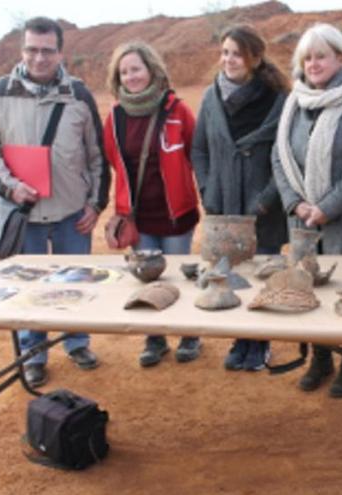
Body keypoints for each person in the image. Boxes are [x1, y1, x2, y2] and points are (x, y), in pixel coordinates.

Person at [0, 17, 109, 388]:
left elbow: (98, 156)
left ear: (61, 52)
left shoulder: (79, 95)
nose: (40, 58)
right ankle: (33, 353)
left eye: (48, 50)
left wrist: (95, 204)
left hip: (71, 213)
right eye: (32, 49)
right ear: (22, 50)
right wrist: (11, 187)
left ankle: (77, 342)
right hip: (23, 214)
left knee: (76, 283)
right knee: (28, 290)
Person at [272, 23, 342, 398]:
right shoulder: (294, 102)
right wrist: (295, 203)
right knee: (309, 287)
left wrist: (326, 208)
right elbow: (279, 156)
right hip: (302, 218)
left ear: (341, 57)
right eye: (308, 57)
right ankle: (320, 359)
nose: (314, 63)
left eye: (321, 55)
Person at [192, 25, 290, 372]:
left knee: (260, 277)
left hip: (263, 208)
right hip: (223, 208)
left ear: (255, 58)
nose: (228, 60)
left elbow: (285, 157)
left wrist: (264, 201)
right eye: (224, 52)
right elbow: (199, 149)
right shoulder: (210, 98)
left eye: (236, 53)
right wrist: (207, 190)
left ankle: (259, 343)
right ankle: (239, 340)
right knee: (230, 276)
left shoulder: (278, 100)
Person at [102, 41, 203, 368]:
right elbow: (114, 160)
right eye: (125, 71)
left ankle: (189, 335)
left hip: (176, 213)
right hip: (139, 217)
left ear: (151, 70)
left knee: (177, 276)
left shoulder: (177, 110)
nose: (131, 76)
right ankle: (155, 339)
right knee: (146, 278)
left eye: (136, 69)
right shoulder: (115, 117)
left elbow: (195, 153)